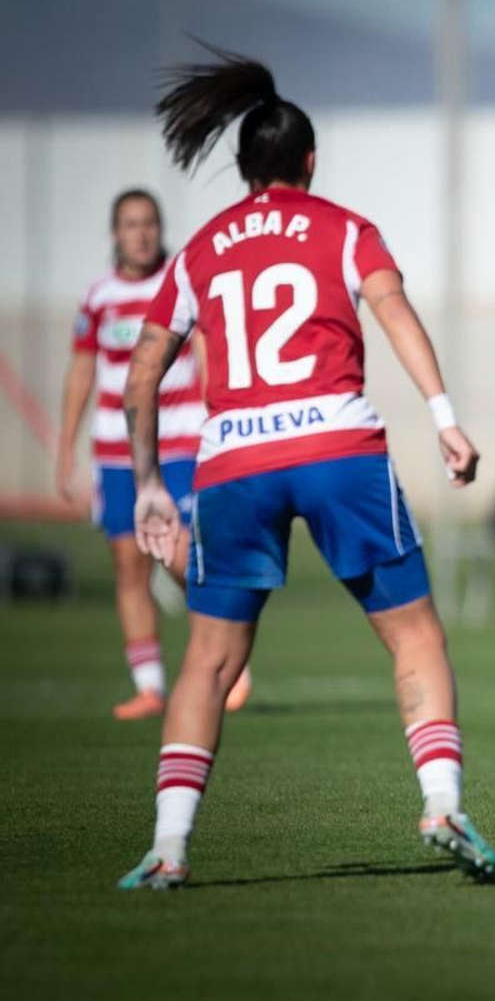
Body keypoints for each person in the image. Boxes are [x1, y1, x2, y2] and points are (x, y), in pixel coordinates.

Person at [117, 45, 495, 888]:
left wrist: (149, 484)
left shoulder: (200, 251)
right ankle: (441, 802)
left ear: (244, 167)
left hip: (233, 463)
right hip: (338, 449)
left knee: (210, 662)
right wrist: (445, 417)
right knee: (414, 635)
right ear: (310, 163)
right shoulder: (344, 229)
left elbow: (142, 375)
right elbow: (393, 309)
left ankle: (169, 849)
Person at [57, 190, 252, 719]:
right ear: (115, 233)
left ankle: (228, 657)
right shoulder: (99, 296)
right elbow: (81, 371)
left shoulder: (183, 284)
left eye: (149, 223)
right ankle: (149, 685)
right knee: (129, 563)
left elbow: (211, 353)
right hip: (117, 452)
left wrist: (220, 424)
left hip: (182, 443)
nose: (141, 233)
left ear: (160, 228)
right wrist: (65, 448)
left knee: (182, 553)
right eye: (130, 224)